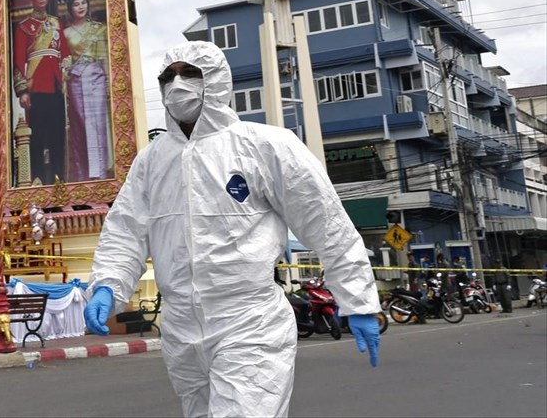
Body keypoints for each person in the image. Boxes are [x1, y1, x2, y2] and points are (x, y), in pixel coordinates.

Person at [84, 41, 381, 418]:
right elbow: (125, 232)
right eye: (168, 76)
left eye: (190, 74)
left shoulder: (266, 146)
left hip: (249, 322)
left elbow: (328, 225)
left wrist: (358, 301)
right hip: (180, 328)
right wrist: (108, 284)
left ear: (218, 80)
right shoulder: (151, 161)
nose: (177, 85)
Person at [13, 0, 70, 186]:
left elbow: (64, 52)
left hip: (56, 84)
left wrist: (65, 73)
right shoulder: (24, 27)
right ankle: (37, 177)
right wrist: (22, 92)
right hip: (36, 85)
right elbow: (19, 61)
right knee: (37, 132)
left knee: (57, 131)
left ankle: (59, 177)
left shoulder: (57, 23)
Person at [63, 0, 112, 181]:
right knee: (80, 126)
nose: (80, 7)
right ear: (70, 8)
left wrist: (108, 82)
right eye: (76, 4)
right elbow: (66, 60)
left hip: (96, 78)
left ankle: (99, 171)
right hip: (75, 80)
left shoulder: (98, 29)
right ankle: (82, 173)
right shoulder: (66, 33)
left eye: (83, 3)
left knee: (97, 124)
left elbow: (103, 57)